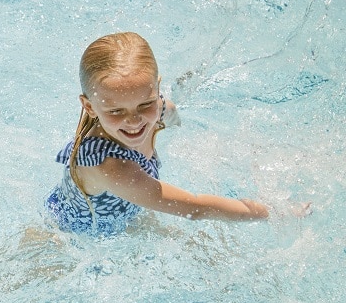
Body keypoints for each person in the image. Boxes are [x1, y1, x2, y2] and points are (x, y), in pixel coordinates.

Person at [45, 32, 269, 236]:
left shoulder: (160, 109)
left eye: (145, 104)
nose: (134, 120)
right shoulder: (111, 167)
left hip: (126, 214)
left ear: (157, 90)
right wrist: (266, 212)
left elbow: (173, 117)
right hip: (68, 234)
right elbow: (196, 208)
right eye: (115, 111)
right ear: (89, 107)